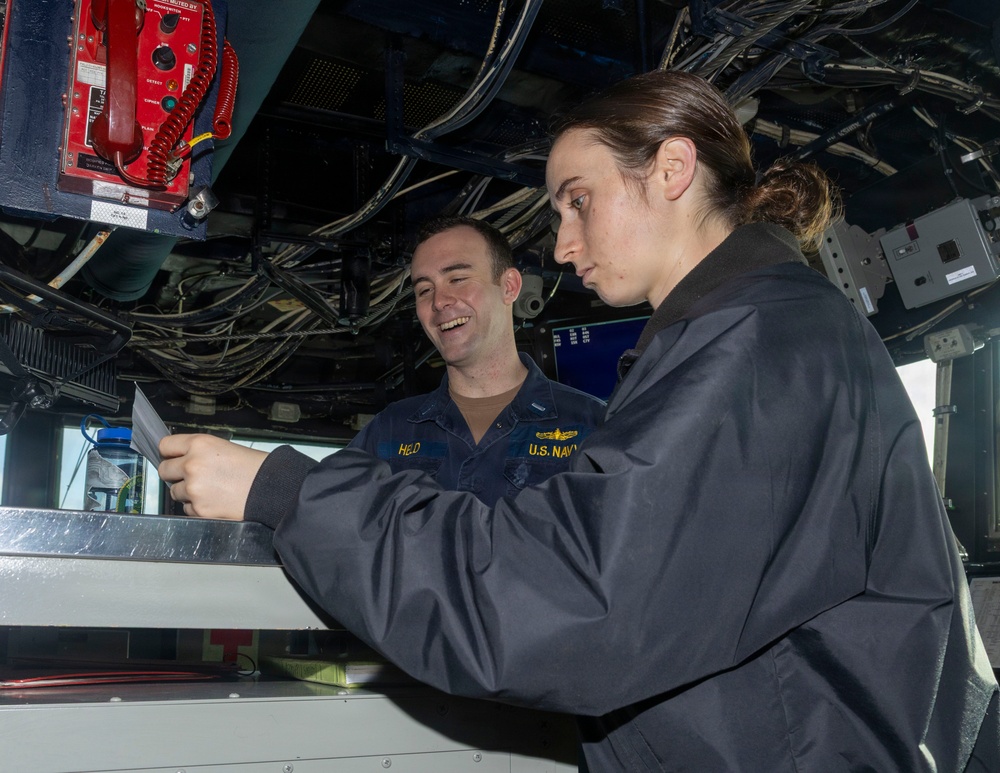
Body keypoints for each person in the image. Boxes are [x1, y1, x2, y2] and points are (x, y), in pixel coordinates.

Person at [160, 70, 999, 771]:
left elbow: (572, 600)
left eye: (577, 200)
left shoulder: (757, 345)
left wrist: (285, 491)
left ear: (672, 169)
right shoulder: (761, 332)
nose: (562, 244)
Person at [349, 215, 605, 506]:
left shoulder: (592, 426)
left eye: (457, 279)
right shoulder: (389, 432)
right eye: (424, 290)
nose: (438, 301)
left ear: (509, 286)